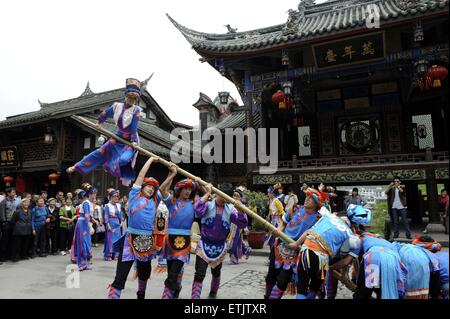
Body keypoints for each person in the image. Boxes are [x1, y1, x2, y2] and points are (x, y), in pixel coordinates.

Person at [107, 157, 174, 299]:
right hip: (129, 240)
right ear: (142, 187)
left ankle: (141, 294)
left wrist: (171, 174)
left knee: (144, 273)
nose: (151, 188)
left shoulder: (155, 200)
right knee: (120, 275)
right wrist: (150, 160)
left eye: (153, 187)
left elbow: (163, 189)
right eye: (148, 186)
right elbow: (141, 176)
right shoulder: (134, 196)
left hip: (147, 241)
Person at [67, 78, 143, 186]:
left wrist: (134, 141)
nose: (131, 100)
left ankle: (108, 165)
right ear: (126, 96)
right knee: (100, 151)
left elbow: (134, 128)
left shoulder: (137, 110)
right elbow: (105, 113)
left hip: (130, 141)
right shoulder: (117, 106)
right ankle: (77, 166)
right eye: (130, 97)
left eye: (134, 99)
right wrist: (98, 122)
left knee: (123, 160)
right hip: (117, 137)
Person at [288, 195, 362, 299]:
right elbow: (345, 262)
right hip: (322, 260)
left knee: (302, 288)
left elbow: (308, 232)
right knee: (314, 287)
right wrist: (331, 268)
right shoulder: (353, 237)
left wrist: (296, 244)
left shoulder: (327, 216)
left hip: (306, 251)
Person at [191, 184, 248, 299]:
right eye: (222, 197)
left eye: (227, 198)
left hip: (220, 247)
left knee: (216, 272)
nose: (224, 201)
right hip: (204, 245)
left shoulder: (231, 210)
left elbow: (242, 223)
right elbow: (197, 210)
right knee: (199, 274)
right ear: (217, 194)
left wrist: (240, 209)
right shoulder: (207, 205)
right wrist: (207, 195)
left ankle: (213, 292)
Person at [265, 189, 320, 299]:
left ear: (316, 204)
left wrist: (297, 244)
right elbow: (283, 223)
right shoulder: (295, 208)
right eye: (307, 197)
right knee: (271, 277)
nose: (307, 199)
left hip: (296, 252)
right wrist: (278, 231)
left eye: (310, 199)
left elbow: (310, 234)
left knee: (282, 281)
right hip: (279, 246)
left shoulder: (318, 219)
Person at [161, 172, 197, 299]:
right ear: (179, 190)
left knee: (174, 272)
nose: (187, 191)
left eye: (189, 189)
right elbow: (161, 189)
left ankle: (172, 289)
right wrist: (171, 174)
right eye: (185, 188)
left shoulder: (194, 204)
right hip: (170, 240)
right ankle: (174, 289)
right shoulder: (171, 201)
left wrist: (207, 189)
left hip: (184, 241)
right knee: (171, 271)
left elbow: (205, 202)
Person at [353, 233, 407, 299]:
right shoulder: (387, 242)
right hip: (392, 260)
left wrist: (357, 279)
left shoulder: (364, 239)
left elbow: (356, 260)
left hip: (374, 257)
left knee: (364, 291)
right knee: (383, 289)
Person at [71, 183, 96, 271]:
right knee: (82, 243)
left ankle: (85, 262)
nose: (95, 196)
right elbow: (86, 215)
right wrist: (90, 226)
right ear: (90, 194)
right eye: (94, 194)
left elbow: (89, 215)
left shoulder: (89, 203)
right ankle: (81, 264)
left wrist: (94, 220)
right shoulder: (86, 203)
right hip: (82, 224)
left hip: (85, 223)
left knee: (87, 243)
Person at [227, 189, 252, 265]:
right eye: (234, 195)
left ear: (240, 198)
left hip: (237, 227)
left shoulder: (242, 206)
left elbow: (244, 218)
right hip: (230, 226)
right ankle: (246, 250)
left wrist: (245, 228)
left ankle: (234, 258)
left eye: (237, 196)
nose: (235, 197)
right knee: (237, 242)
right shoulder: (230, 205)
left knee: (233, 241)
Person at [0, 188, 22, 261]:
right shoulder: (4, 201)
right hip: (7, 223)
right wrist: (4, 222)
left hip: (15, 223)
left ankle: (9, 255)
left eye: (14, 192)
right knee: (5, 240)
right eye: (12, 192)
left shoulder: (17, 201)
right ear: (8, 193)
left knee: (12, 240)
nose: (14, 193)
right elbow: (2, 212)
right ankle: (2, 256)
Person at [103, 190, 123, 261]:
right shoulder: (107, 206)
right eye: (114, 196)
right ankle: (109, 254)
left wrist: (121, 222)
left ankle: (116, 255)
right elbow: (106, 216)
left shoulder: (118, 205)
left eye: (117, 196)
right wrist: (107, 224)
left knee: (117, 239)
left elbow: (120, 215)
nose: (116, 198)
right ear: (110, 197)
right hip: (110, 223)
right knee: (110, 239)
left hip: (117, 224)